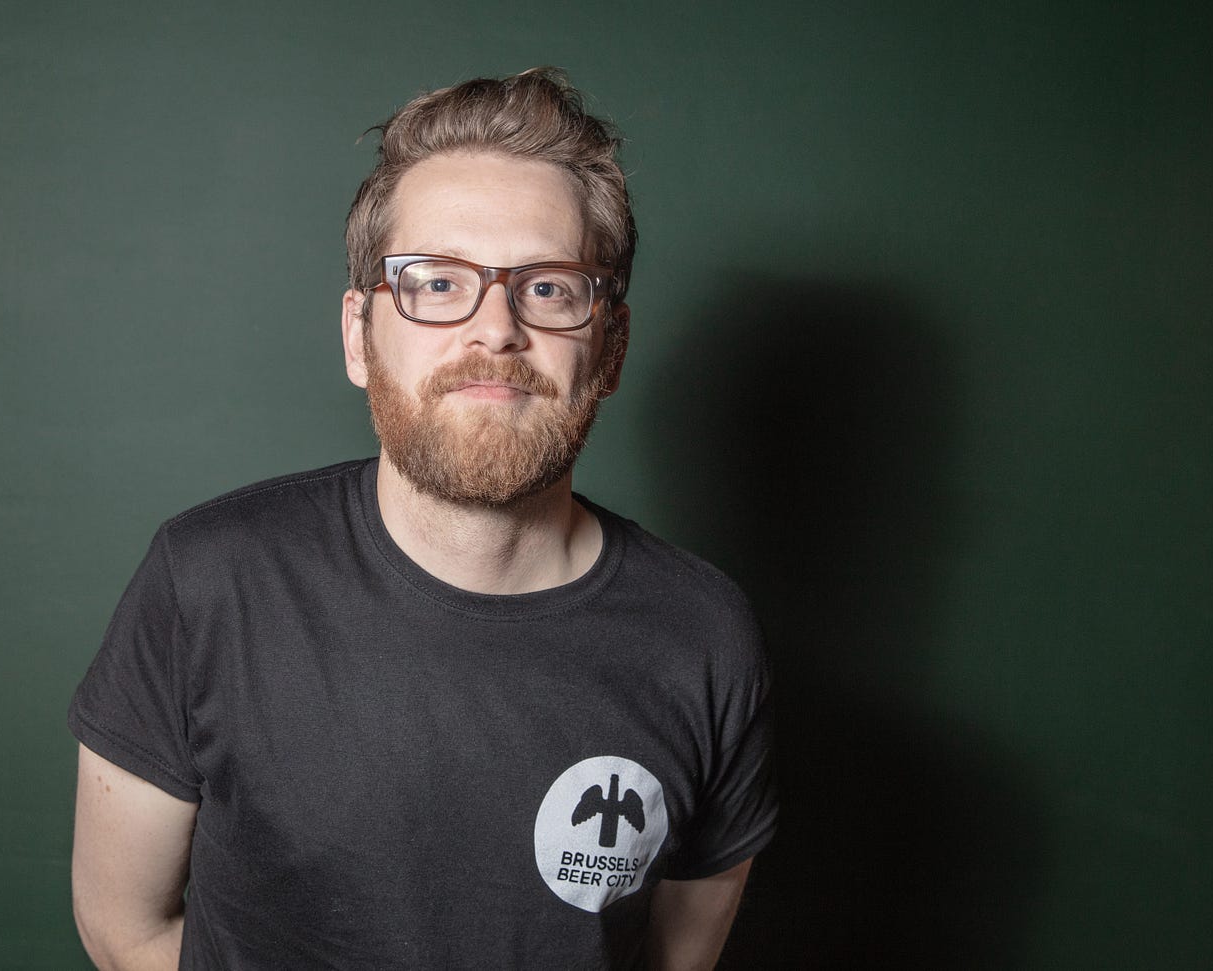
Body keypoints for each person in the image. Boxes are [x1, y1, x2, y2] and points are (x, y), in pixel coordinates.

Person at [69, 68, 777, 970]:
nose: (494, 330)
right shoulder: (208, 579)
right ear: (360, 336)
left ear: (611, 348)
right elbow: (125, 932)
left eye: (550, 287)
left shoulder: (705, 634)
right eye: (435, 282)